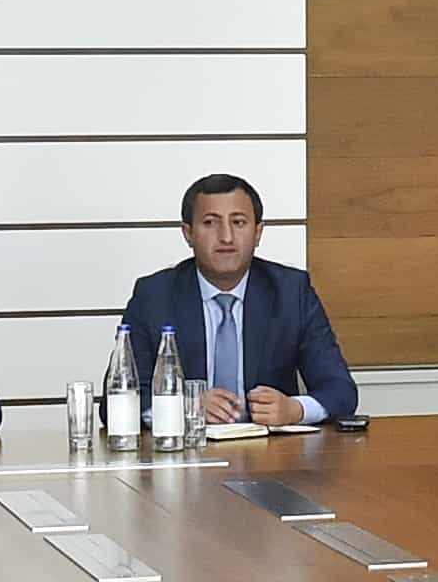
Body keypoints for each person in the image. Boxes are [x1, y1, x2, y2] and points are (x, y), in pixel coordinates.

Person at [118, 173, 358, 423]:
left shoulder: (291, 292)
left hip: (271, 446)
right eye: (210, 223)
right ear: (188, 233)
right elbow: (119, 398)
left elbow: (340, 390)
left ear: (258, 232)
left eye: (239, 222)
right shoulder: (154, 296)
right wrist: (184, 408)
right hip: (190, 444)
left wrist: (294, 410)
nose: (226, 237)